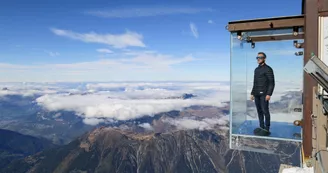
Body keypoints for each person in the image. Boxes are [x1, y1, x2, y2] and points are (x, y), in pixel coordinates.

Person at [250, 52, 275, 133]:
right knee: (259, 111)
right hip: (257, 93)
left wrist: (269, 94)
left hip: (264, 94)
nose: (258, 59)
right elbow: (255, 82)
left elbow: (271, 82)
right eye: (257, 57)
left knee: (265, 110)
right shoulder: (256, 70)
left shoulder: (268, 69)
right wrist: (252, 93)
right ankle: (261, 126)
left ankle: (267, 128)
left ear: (264, 58)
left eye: (260, 57)